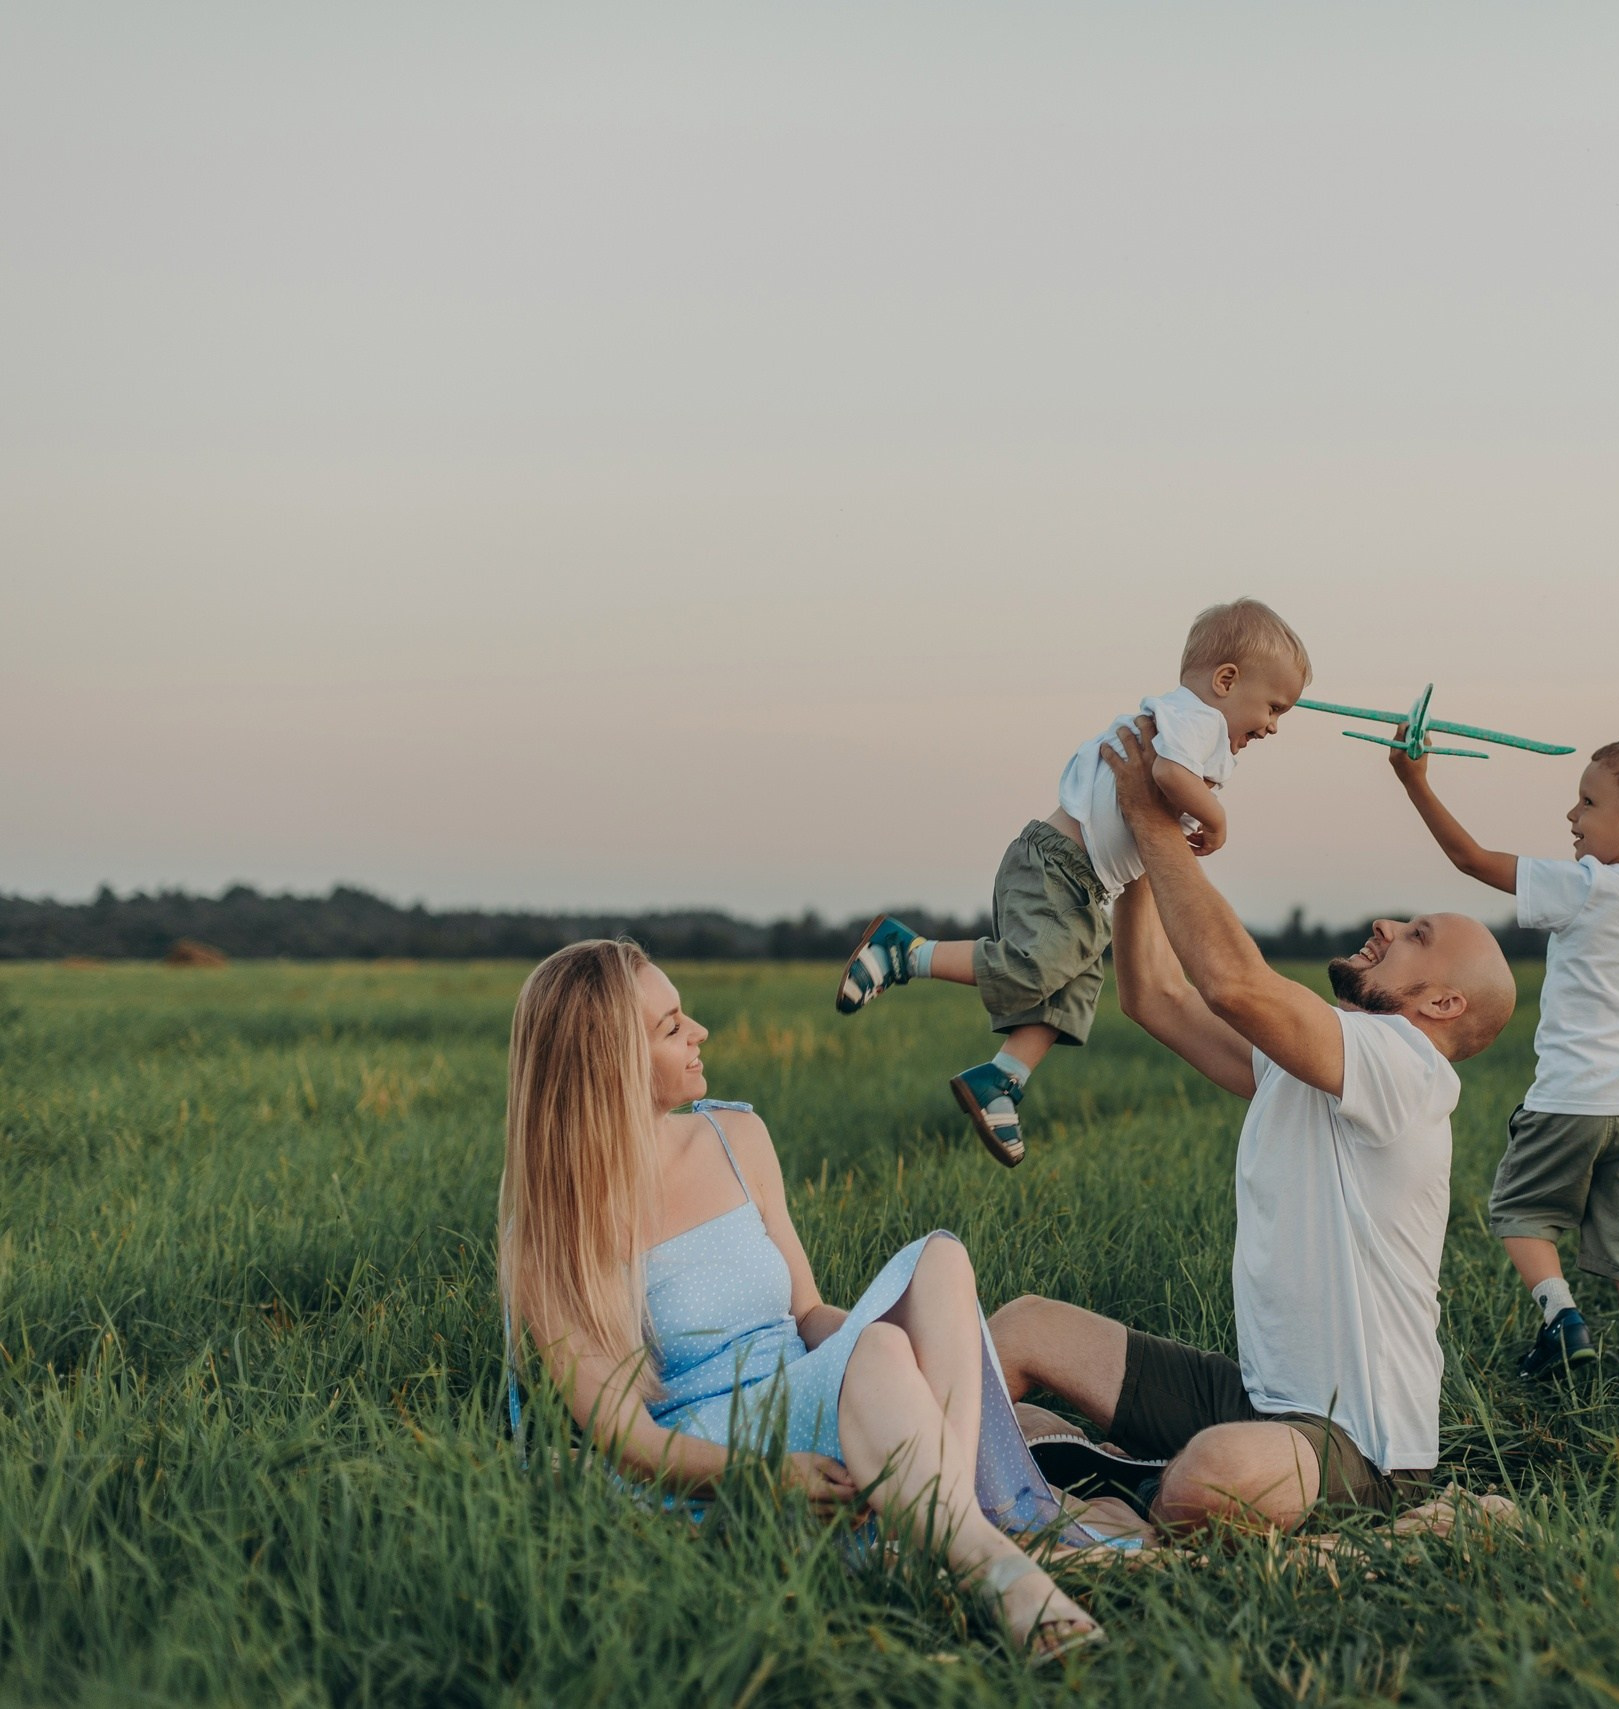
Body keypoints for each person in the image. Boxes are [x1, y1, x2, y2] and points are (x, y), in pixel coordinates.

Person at [497, 939, 1106, 1662]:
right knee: (880, 1352)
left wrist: (890, 1352)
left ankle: (944, 1534)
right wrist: (766, 1475)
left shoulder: (737, 1135)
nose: (700, 1033)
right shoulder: (553, 1231)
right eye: (670, 1026)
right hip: (716, 1449)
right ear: (607, 1063)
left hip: (804, 1390)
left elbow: (809, 1311)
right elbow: (626, 1438)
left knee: (935, 1265)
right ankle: (992, 1565)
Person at [989, 714, 1518, 1532]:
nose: (1386, 924)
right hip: (1258, 1398)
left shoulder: (1409, 1069)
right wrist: (1129, 859)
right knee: (1019, 1329)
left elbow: (1236, 982)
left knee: (1215, 1474)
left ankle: (1109, 1508)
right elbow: (1156, 996)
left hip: (1362, 1446)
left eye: (1417, 935)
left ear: (1443, 1003)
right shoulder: (1317, 1061)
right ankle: (932, 1474)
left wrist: (1154, 817)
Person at [832, 597, 1312, 1168]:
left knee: (1072, 995)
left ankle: (1002, 1079)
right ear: (1226, 680)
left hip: (1087, 884)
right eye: (1273, 708)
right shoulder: (1195, 718)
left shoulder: (1202, 729)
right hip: (1056, 865)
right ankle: (906, 952)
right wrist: (1216, 818)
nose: (1274, 727)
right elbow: (1165, 774)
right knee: (1036, 965)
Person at [1390, 735, 1619, 1402]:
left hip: (1572, 1098)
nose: (1572, 815)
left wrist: (1414, 780)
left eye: (1588, 802)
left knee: (1519, 1212)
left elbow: (1469, 858)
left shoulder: (1587, 885)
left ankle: (1561, 1316)